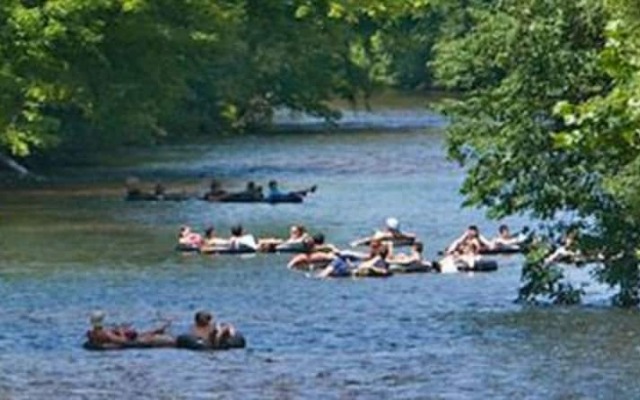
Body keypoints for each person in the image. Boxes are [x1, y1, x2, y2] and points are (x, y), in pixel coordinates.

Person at [86, 311, 175, 348]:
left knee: (138, 334)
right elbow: (124, 341)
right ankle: (156, 332)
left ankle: (156, 331)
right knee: (144, 337)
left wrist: (120, 330)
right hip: (131, 342)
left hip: (130, 338)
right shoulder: (106, 333)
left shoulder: (91, 333)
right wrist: (121, 331)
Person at [350, 217, 416, 247]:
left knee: (377, 234)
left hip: (381, 238)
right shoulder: (400, 234)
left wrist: (356, 243)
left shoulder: (384, 235)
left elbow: (369, 239)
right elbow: (413, 236)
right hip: (384, 238)